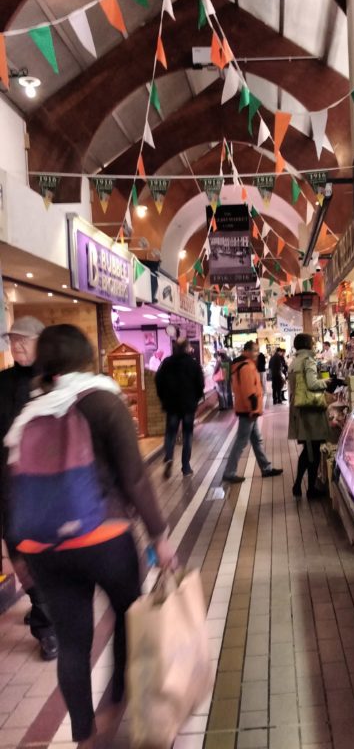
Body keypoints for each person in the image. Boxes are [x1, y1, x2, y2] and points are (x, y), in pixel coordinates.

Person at [4, 324, 176, 749]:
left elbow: (9, 489)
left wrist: (17, 553)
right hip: (105, 535)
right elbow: (134, 477)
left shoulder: (28, 414)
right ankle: (120, 700)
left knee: (74, 638)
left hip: (45, 548)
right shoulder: (102, 398)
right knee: (129, 615)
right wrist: (159, 536)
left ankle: (84, 734)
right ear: (86, 356)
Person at [0, 316, 57, 661]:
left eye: (23, 340)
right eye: (12, 340)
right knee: (19, 552)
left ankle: (46, 619)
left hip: (47, 485)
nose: (17, 345)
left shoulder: (54, 381)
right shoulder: (2, 382)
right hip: (9, 486)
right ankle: (43, 612)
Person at [222, 341, 282, 483]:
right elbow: (249, 391)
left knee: (256, 440)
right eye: (254, 351)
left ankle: (266, 468)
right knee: (241, 442)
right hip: (248, 410)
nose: (257, 354)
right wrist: (253, 409)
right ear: (247, 351)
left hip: (246, 409)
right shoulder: (246, 367)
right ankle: (229, 472)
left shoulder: (242, 365)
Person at [288, 333, 334, 499]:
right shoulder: (308, 360)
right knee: (312, 450)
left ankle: (298, 485)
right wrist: (327, 382)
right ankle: (309, 489)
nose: (314, 345)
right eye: (312, 342)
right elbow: (313, 384)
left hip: (299, 409)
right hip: (311, 410)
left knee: (308, 450)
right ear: (308, 344)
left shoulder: (294, 362)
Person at [155, 338, 205, 478]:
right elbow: (200, 384)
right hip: (188, 405)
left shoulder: (166, 363)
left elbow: (158, 381)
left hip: (171, 405)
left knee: (171, 432)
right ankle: (186, 466)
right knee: (187, 434)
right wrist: (196, 398)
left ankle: (169, 456)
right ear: (187, 348)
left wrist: (163, 398)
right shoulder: (193, 364)